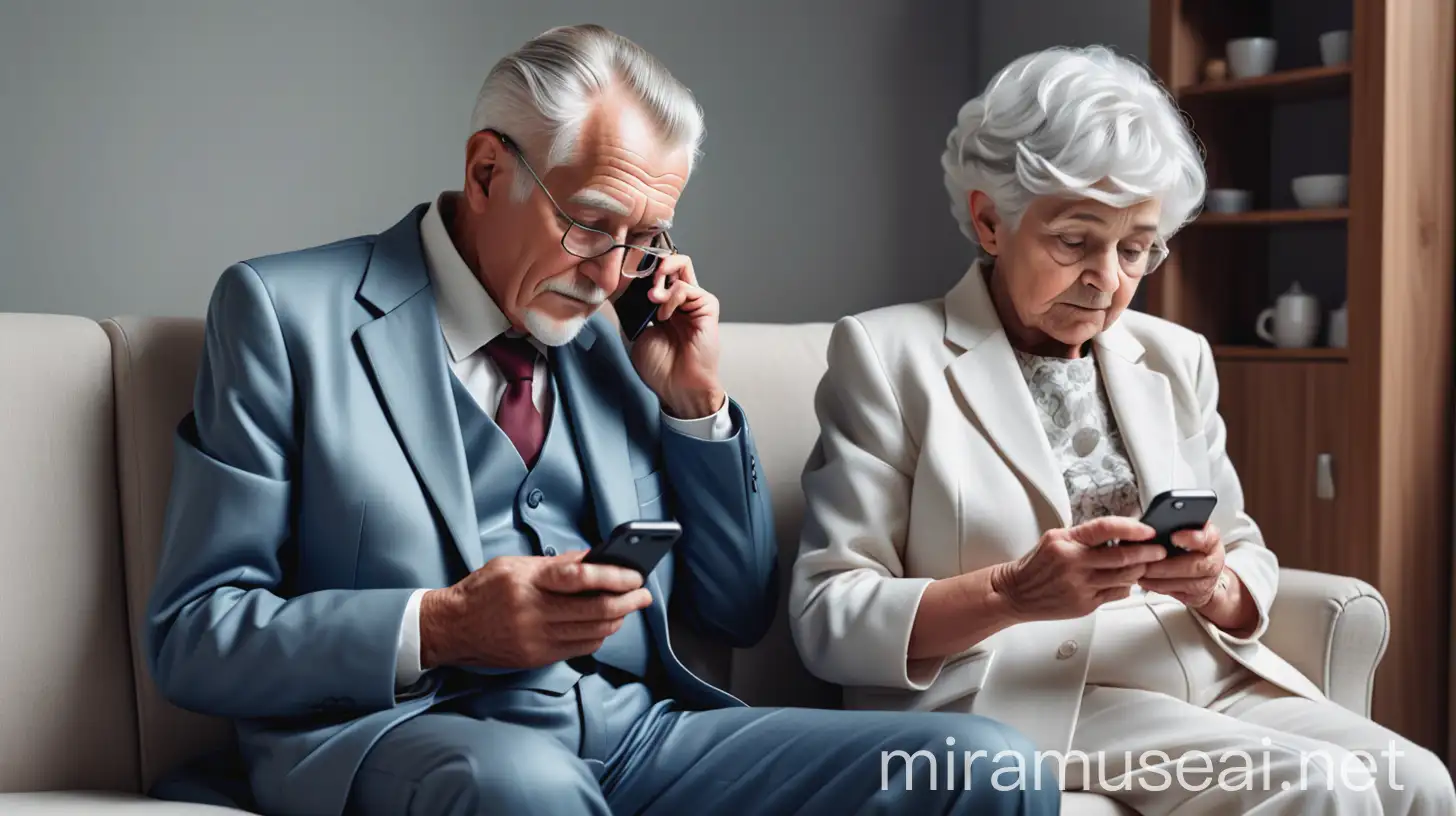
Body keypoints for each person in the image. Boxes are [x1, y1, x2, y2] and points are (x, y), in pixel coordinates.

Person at [145, 24, 1059, 816]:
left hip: (639, 741)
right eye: (589, 223)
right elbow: (195, 632)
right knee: (526, 790)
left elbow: (736, 611)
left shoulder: (619, 339)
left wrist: (692, 405)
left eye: (646, 236)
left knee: (982, 764)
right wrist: (441, 625)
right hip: (412, 740)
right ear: (486, 169)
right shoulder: (285, 313)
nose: (615, 270)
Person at [789, 45, 1456, 816]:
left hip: (1201, 680)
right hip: (1025, 696)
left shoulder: (1175, 356)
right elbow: (827, 614)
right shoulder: (886, 354)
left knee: (1420, 782)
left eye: (1136, 247)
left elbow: (1243, 550)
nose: (1107, 278)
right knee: (1318, 785)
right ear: (989, 219)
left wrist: (1214, 583)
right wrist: (1012, 592)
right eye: (1075, 241)